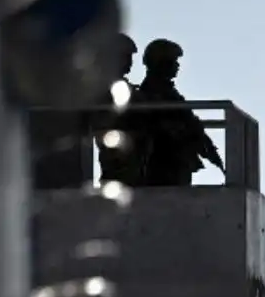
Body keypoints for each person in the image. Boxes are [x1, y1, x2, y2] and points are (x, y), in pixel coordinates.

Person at [130, 38, 223, 186]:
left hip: (176, 162)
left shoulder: (168, 93)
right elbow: (164, 127)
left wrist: (208, 150)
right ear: (161, 63)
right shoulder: (151, 94)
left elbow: (190, 124)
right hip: (163, 163)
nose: (177, 65)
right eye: (173, 60)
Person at [96, 33, 147, 184]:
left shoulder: (121, 87)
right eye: (126, 57)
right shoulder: (105, 88)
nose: (130, 62)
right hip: (118, 149)